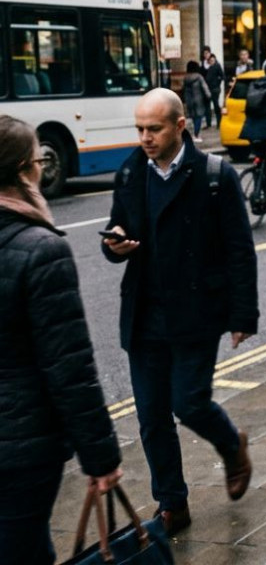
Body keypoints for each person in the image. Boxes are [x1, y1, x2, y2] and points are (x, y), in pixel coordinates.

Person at [100, 89, 257, 534]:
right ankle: (172, 503)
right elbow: (118, 232)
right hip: (145, 312)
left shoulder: (214, 174)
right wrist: (115, 245)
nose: (145, 138)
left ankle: (231, 447)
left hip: (196, 312)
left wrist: (243, 315)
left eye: (154, 129)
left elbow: (240, 250)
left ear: (180, 126)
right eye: (140, 129)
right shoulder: (131, 171)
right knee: (151, 416)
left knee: (188, 403)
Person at [0, 117, 123, 564]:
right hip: (22, 447)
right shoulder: (41, 249)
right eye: (39, 159)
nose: (41, 167)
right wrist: (101, 457)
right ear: (22, 171)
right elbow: (68, 366)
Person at [181, 60, 213, 137]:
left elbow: (183, 89)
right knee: (199, 117)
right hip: (199, 100)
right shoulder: (199, 77)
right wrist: (209, 96)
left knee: (193, 116)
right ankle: (196, 134)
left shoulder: (186, 78)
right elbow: (205, 88)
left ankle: (195, 132)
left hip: (189, 100)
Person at [202, 48, 225, 129]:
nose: (206, 55)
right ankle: (208, 124)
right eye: (204, 54)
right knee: (207, 107)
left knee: (216, 106)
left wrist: (217, 83)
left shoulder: (216, 65)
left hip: (215, 89)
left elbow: (222, 76)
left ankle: (219, 123)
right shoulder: (204, 65)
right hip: (206, 89)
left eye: (207, 53)